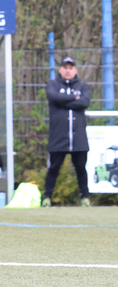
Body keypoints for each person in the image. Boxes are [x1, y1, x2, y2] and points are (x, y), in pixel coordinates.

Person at [42, 56, 91, 207]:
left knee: (81, 169)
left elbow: (84, 102)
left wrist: (64, 102)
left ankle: (85, 197)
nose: (68, 71)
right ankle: (47, 197)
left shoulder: (82, 86)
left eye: (71, 68)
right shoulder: (53, 85)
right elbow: (54, 97)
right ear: (60, 69)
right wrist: (74, 98)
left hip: (78, 138)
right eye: (65, 68)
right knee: (54, 168)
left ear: (75, 70)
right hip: (58, 137)